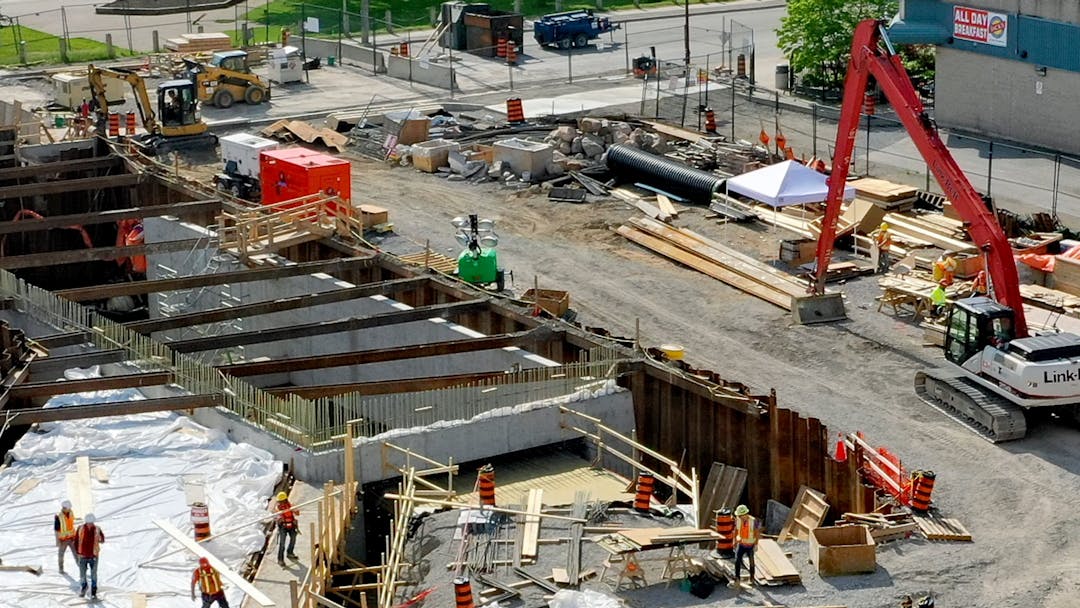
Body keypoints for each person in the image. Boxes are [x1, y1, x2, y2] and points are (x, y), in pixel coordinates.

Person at [729, 504, 760, 590]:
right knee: (737, 561)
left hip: (750, 545)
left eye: (740, 515)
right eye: (739, 516)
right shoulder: (738, 520)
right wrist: (735, 541)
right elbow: (736, 530)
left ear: (745, 514)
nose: (739, 517)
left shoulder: (754, 521)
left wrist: (756, 544)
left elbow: (757, 533)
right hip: (741, 544)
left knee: (751, 562)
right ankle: (737, 578)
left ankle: (752, 578)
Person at [75, 513, 104, 599]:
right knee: (82, 574)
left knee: (93, 574)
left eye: (91, 523)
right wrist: (77, 552)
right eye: (88, 523)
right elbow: (76, 540)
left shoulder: (97, 529)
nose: (90, 524)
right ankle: (84, 587)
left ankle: (94, 591)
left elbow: (102, 539)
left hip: (93, 555)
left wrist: (100, 538)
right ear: (86, 522)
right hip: (82, 555)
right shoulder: (80, 528)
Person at [275, 492, 300, 566]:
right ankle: (280, 559)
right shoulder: (278, 508)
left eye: (281, 501)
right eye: (279, 501)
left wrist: (294, 510)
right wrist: (280, 516)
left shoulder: (290, 505)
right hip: (283, 527)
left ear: (285, 500)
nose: (280, 503)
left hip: (291, 525)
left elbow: (297, 513)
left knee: (293, 538)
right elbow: (277, 513)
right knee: (282, 543)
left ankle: (290, 552)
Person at [54, 500, 78, 574]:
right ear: (64, 508)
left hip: (72, 538)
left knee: (76, 554)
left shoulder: (71, 513)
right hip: (63, 540)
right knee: (61, 555)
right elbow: (56, 530)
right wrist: (57, 541)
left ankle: (81, 568)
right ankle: (61, 569)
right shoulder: (58, 517)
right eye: (68, 508)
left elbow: (71, 524)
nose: (69, 509)